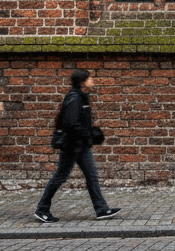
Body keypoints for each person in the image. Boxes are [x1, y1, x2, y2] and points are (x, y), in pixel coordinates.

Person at [34, 69, 120, 222]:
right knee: (60, 177)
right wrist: (90, 134)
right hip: (72, 146)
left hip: (81, 146)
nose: (92, 81)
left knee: (92, 176)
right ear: (82, 82)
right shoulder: (74, 98)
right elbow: (71, 124)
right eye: (90, 79)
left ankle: (101, 209)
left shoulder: (81, 97)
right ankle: (42, 209)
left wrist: (90, 133)